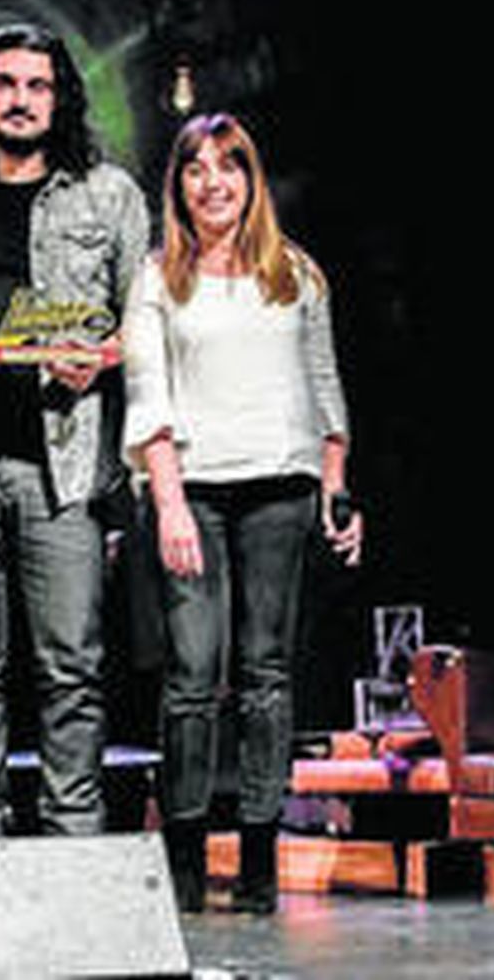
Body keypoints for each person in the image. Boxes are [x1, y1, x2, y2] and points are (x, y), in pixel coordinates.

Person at [0, 24, 148, 839]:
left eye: (37, 85)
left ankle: (72, 846)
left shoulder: (107, 195)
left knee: (69, 668)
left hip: (64, 468)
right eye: (4, 84)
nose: (19, 99)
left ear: (60, 97)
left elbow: (145, 325)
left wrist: (101, 358)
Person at [122, 112, 363, 913]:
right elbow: (147, 396)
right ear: (179, 186)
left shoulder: (296, 273)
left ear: (252, 181)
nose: (213, 182)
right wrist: (167, 502)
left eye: (230, 167)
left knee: (266, 675)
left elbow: (325, 390)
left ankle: (259, 851)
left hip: (282, 488)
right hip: (192, 489)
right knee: (193, 675)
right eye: (196, 168)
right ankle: (185, 852)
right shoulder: (158, 277)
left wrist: (336, 489)